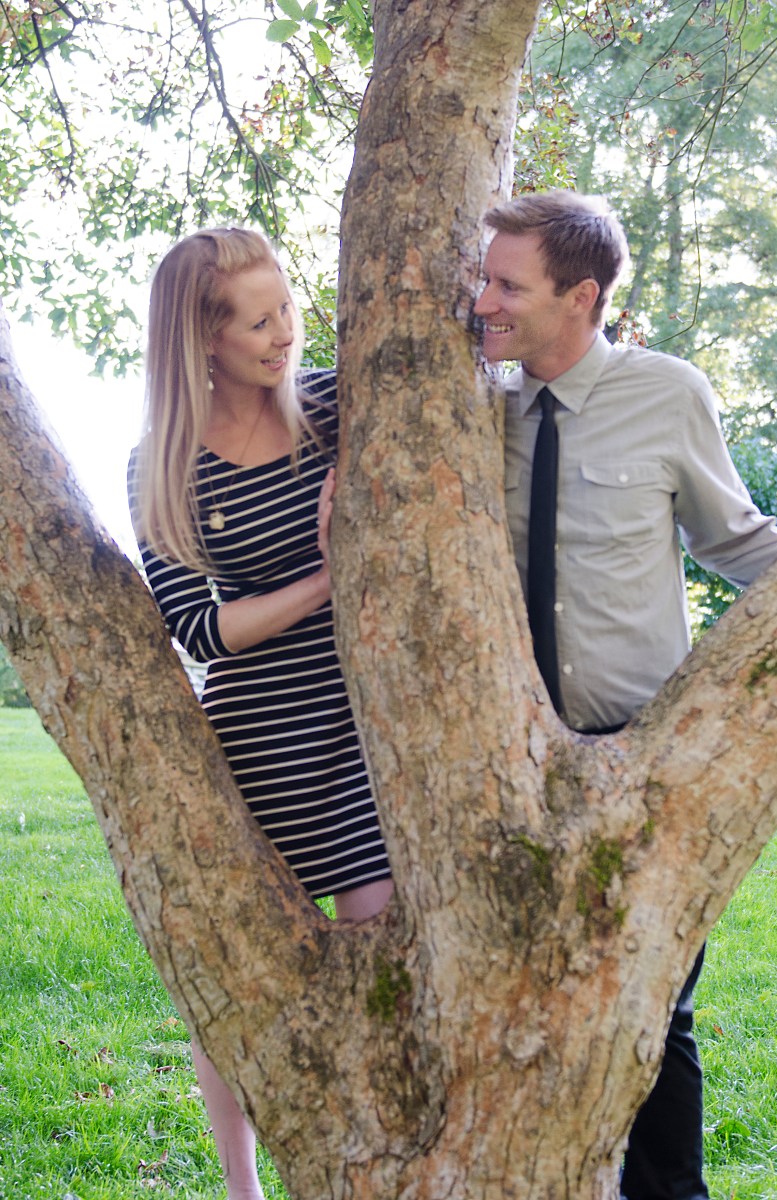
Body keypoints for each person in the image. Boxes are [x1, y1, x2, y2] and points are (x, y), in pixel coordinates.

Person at [473, 190, 777, 1200]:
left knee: (655, 1007)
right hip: (506, 751)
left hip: (644, 750)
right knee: (521, 1005)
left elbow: (734, 540)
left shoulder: (670, 393)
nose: (482, 300)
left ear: (581, 297)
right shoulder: (471, 402)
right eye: (486, 276)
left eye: (505, 284)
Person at [128, 227, 393, 1200]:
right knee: (240, 990)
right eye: (259, 320)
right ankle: (243, 1189)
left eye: (286, 306)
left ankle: (366, 1161)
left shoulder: (330, 404)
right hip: (256, 752)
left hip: (362, 734)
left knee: (380, 953)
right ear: (204, 341)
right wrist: (330, 574)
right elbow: (199, 628)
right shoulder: (163, 465)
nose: (286, 331)